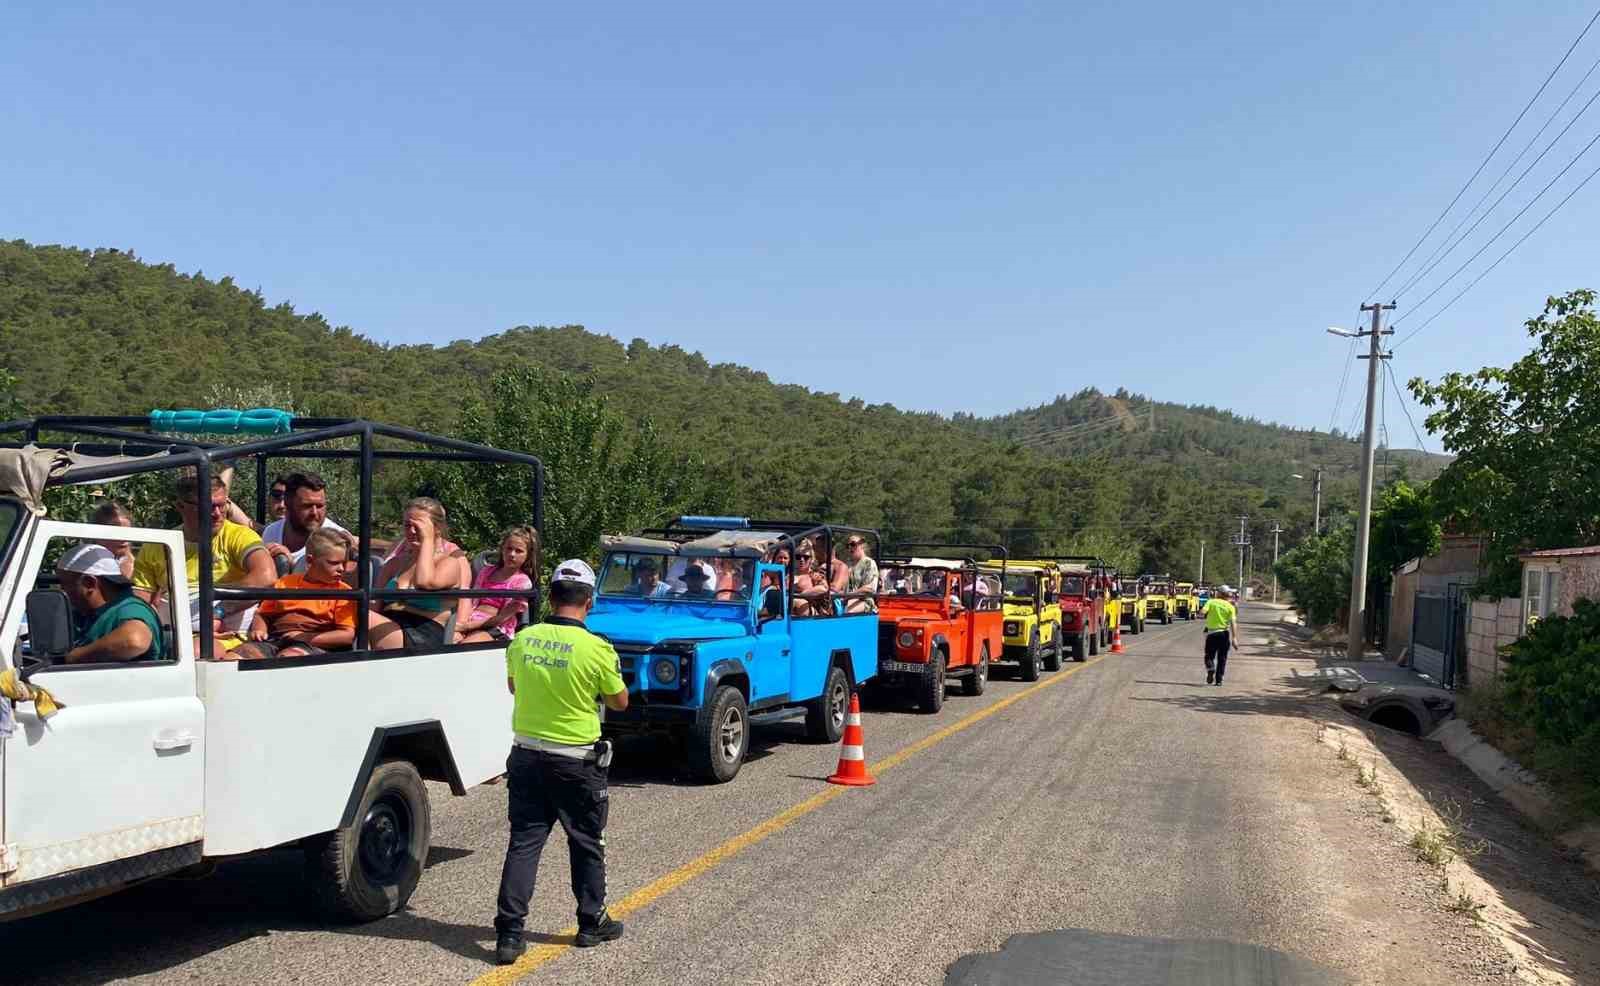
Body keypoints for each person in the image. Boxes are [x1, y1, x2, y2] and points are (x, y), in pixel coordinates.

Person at [494, 559, 628, 964]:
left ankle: (510, 935)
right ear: (589, 600)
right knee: (586, 842)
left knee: (524, 843)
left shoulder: (524, 638)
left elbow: (514, 686)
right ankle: (591, 923)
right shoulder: (597, 648)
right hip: (575, 760)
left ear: (551, 597)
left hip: (526, 754)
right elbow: (619, 702)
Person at [133, 472, 275, 658]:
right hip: (169, 635)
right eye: (207, 506)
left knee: (197, 652)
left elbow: (266, 577)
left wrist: (218, 612)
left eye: (222, 505)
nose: (217, 514)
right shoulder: (159, 545)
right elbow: (140, 598)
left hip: (227, 639)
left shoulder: (239, 536)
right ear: (181, 506)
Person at [231, 529, 358, 660]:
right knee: (236, 656)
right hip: (275, 640)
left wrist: (303, 637)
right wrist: (259, 629)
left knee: (288, 658)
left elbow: (346, 636)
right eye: (334, 563)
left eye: (343, 563)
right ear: (310, 561)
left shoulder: (343, 592)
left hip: (313, 644)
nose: (341, 569)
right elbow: (263, 614)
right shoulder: (285, 583)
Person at [367, 497, 472, 650]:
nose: (411, 531)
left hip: (422, 632)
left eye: (418, 526)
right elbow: (372, 606)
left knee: (361, 616)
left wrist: (427, 540)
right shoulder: (394, 564)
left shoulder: (450, 563)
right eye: (407, 525)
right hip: (387, 626)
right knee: (356, 614)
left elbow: (425, 582)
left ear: (437, 528)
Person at [56, 544, 165, 663]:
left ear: (89, 583)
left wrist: (73, 657)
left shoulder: (130, 608)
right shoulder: (89, 613)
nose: (63, 590)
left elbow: (135, 641)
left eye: (65, 584)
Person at [261, 472, 353, 574]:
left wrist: (291, 566)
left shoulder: (338, 539)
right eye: (307, 506)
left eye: (319, 506)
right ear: (288, 504)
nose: (314, 512)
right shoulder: (271, 532)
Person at [460, 526, 539, 644]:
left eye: (518, 551)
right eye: (509, 548)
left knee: (465, 646)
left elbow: (501, 619)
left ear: (528, 555)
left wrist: (466, 627)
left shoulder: (522, 583)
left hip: (496, 628)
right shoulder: (486, 572)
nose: (512, 554)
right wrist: (461, 623)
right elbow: (471, 600)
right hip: (470, 619)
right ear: (502, 549)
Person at [1199, 588, 1239, 685]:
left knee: (1209, 656)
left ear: (1218, 593)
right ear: (1227, 595)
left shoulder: (1211, 602)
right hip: (1224, 634)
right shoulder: (1230, 606)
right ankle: (1219, 680)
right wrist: (1234, 638)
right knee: (1222, 658)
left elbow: (1202, 613)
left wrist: (1204, 613)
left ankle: (1211, 669)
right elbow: (1233, 623)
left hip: (1212, 633)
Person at [91, 500, 136, 579]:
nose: (124, 539)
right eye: (117, 533)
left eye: (127, 533)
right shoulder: (88, 566)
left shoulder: (140, 566)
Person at [843, 534, 878, 614]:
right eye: (847, 546)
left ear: (862, 545)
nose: (850, 548)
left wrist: (849, 596)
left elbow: (869, 589)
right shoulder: (848, 565)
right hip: (846, 600)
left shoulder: (869, 563)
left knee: (848, 611)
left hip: (865, 601)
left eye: (853, 544)